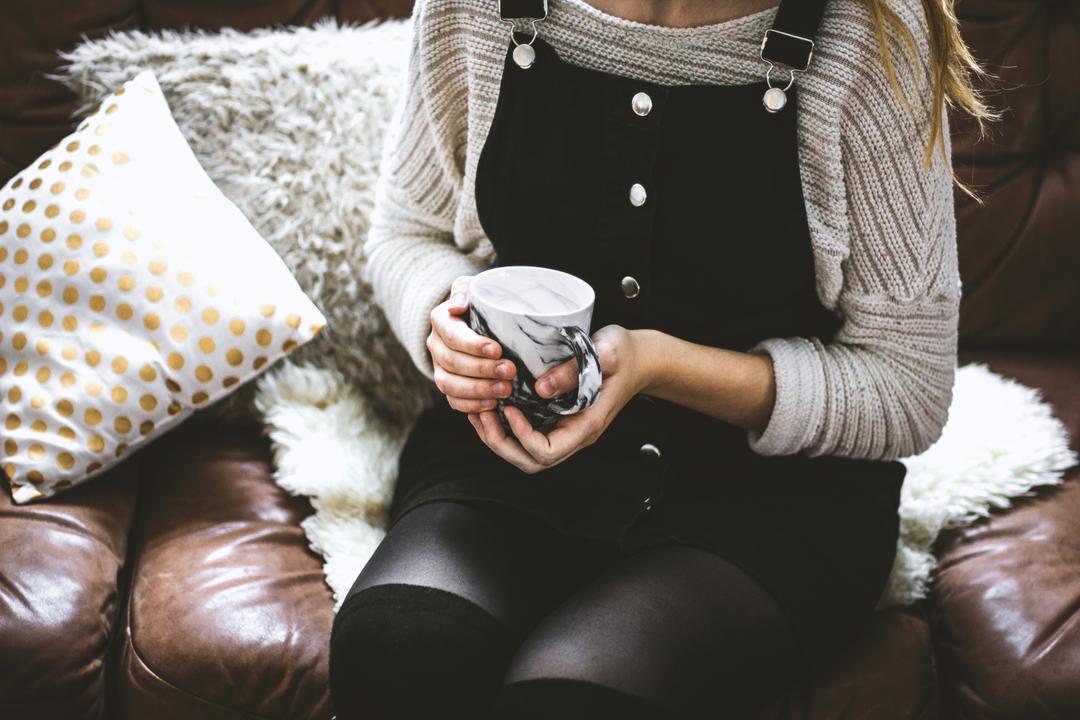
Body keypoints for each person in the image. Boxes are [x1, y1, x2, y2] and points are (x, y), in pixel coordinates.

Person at [328, 0, 995, 717]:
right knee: (397, 648)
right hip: (513, 458)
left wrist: (657, 365)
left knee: (576, 700)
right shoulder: (473, 8)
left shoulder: (869, 34)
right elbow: (407, 234)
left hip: (768, 500)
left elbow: (910, 387)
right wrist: (447, 326)